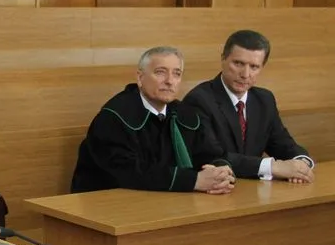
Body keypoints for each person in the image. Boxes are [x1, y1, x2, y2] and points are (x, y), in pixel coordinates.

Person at [71, 46, 235, 194]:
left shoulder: (185, 113)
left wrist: (220, 172)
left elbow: (209, 153)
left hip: (167, 201)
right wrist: (193, 181)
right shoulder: (114, 117)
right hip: (109, 203)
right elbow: (130, 172)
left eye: (177, 73)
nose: (169, 81)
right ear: (140, 77)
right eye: (160, 72)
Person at [182, 29, 314, 183]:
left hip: (253, 189)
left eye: (254, 67)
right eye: (238, 63)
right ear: (223, 59)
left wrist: (301, 164)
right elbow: (213, 157)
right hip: (216, 189)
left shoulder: (264, 100)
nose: (245, 74)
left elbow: (283, 144)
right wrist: (272, 167)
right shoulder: (198, 100)